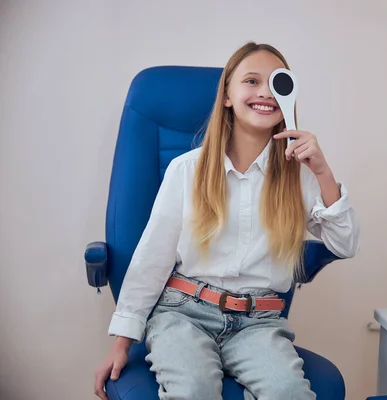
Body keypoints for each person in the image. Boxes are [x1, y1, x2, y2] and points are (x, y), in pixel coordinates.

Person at [94, 42, 360, 400]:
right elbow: (152, 258)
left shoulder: (299, 176)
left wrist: (323, 172)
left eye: (276, 83)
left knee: (289, 393)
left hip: (259, 322)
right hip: (183, 314)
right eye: (251, 81)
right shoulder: (187, 170)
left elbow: (346, 243)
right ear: (227, 97)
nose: (265, 91)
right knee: (194, 390)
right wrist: (123, 342)